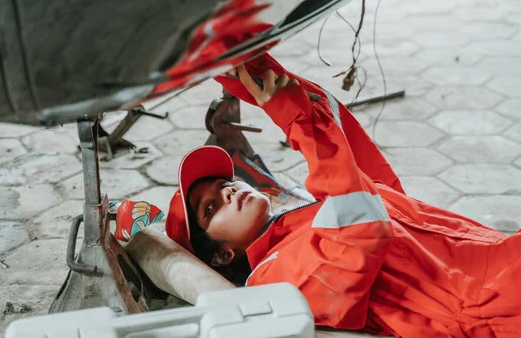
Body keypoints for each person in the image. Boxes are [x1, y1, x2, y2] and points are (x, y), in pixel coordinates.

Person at [163, 57, 521, 337]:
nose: (228, 191)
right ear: (223, 254)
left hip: (501, 257)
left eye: (224, 182)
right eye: (210, 208)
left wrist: (258, 71)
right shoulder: (272, 281)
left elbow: (349, 149)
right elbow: (361, 230)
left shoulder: (306, 217)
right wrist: (296, 122)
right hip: (492, 309)